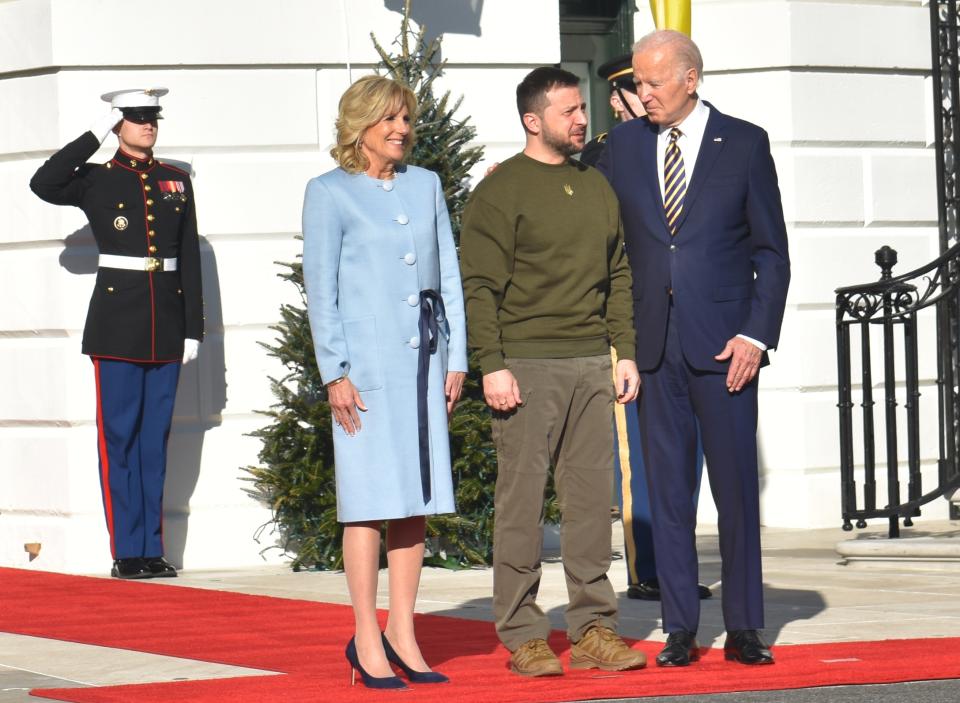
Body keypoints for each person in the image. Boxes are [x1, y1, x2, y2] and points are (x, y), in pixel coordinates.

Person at [597, 30, 790, 667]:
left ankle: (744, 628)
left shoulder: (745, 142)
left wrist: (757, 336)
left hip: (727, 347)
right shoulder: (621, 147)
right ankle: (680, 626)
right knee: (669, 496)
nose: (640, 94)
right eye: (637, 83)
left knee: (734, 490)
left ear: (691, 78)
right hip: (654, 346)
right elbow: (583, 214)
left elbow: (772, 253)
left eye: (653, 82)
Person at [460, 67, 646, 678]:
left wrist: (623, 350)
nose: (582, 120)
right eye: (569, 111)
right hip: (526, 366)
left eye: (583, 109)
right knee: (521, 506)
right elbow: (480, 288)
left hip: (592, 362)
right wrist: (493, 366)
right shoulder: (499, 191)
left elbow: (618, 273)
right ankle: (523, 633)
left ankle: (594, 627)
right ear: (532, 121)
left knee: (592, 505)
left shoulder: (595, 186)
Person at [301, 75, 467, 690]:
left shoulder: (425, 185)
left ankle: (403, 630)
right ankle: (365, 637)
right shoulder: (329, 193)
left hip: (424, 363)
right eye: (389, 119)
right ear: (360, 125)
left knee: (416, 500)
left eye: (406, 118)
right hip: (364, 371)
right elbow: (322, 291)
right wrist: (334, 373)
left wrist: (456, 359)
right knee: (369, 502)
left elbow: (447, 271)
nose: (401, 129)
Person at [30, 88, 203, 581]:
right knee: (120, 438)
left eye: (152, 118)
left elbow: (187, 256)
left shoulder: (176, 181)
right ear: (119, 125)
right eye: (136, 118)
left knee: (155, 440)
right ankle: (127, 550)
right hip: (117, 326)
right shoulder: (96, 179)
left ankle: (152, 549)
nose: (148, 126)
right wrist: (91, 133)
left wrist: (194, 327)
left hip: (167, 324)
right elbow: (43, 182)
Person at [582, 54, 712, 604]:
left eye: (638, 88)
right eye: (627, 91)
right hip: (636, 324)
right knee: (641, 454)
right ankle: (648, 566)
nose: (625, 100)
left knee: (690, 453)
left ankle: (677, 561)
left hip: (694, 325)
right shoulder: (610, 154)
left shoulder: (699, 144)